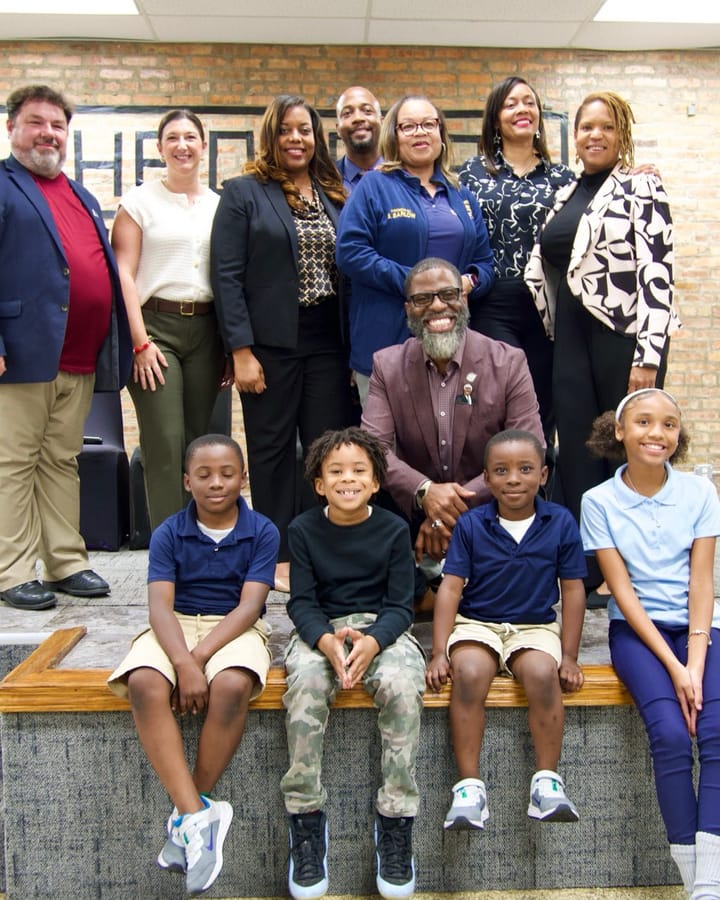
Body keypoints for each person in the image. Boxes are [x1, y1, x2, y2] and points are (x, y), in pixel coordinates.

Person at [107, 433, 279, 896]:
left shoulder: (262, 530)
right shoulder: (168, 531)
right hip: (177, 624)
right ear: (187, 482)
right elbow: (159, 608)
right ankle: (201, 817)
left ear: (244, 478)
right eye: (203, 475)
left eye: (227, 474)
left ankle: (188, 817)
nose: (216, 483)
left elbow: (250, 608)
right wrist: (181, 658)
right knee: (144, 681)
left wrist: (197, 660)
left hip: (235, 627)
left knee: (230, 685)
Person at [525, 91, 680, 604]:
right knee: (578, 454)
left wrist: (648, 354)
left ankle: (642, 567)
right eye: (586, 127)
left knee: (632, 450)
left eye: (606, 128)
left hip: (622, 337)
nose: (595, 136)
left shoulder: (641, 188)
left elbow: (658, 274)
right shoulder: (564, 193)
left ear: (622, 135)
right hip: (570, 338)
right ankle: (587, 569)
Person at [211, 95, 354, 593]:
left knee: (325, 450)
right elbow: (226, 275)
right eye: (287, 130)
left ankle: (321, 550)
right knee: (271, 452)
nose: (297, 139)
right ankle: (274, 556)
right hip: (269, 344)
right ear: (271, 136)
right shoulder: (244, 192)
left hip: (328, 342)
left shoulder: (334, 194)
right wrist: (241, 350)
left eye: (306, 131)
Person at [580, 389, 720, 898]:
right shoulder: (597, 502)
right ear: (619, 431)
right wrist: (676, 669)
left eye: (668, 424)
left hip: (701, 627)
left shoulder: (701, 493)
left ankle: (711, 873)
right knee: (670, 734)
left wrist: (697, 662)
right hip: (638, 632)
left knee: (717, 730)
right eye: (643, 422)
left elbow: (702, 582)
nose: (656, 433)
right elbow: (622, 592)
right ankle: (694, 875)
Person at [0, 84, 131, 612]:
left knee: (62, 460)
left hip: (77, 355)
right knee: (13, 463)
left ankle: (65, 561)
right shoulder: (5, 185)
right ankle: (11, 569)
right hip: (23, 353)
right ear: (12, 128)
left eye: (57, 125)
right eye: (36, 122)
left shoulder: (81, 194)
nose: (47, 133)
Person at [281, 427, 425, 900]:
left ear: (377, 481)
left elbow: (401, 605)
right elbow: (300, 603)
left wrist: (373, 641)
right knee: (303, 685)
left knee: (404, 684)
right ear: (320, 483)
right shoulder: (302, 530)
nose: (348, 479)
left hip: (381, 627)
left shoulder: (392, 529)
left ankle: (396, 820)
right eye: (336, 471)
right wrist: (325, 642)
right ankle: (305, 821)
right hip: (320, 629)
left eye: (359, 470)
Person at [427, 429, 586, 829]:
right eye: (501, 470)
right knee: (469, 672)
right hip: (477, 623)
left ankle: (546, 783)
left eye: (525, 469)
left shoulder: (560, 522)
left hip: (534, 626)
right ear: (486, 477)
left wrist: (568, 656)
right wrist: (438, 650)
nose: (513, 478)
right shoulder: (472, 525)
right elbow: (450, 588)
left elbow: (572, 590)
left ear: (544, 475)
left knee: (541, 673)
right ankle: (469, 788)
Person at [362, 257, 543, 571]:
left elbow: (531, 448)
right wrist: (426, 493)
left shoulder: (509, 362)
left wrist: (446, 510)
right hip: (412, 519)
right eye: (422, 299)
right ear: (408, 310)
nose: (436, 306)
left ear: (463, 299)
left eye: (448, 294)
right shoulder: (386, 366)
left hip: (495, 511)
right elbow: (373, 449)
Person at [336, 94, 495, 406]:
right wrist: (419, 285)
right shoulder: (374, 186)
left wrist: (469, 282)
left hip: (449, 341)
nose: (420, 132)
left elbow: (485, 263)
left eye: (428, 124)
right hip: (385, 338)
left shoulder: (462, 195)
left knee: (449, 443)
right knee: (385, 447)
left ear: (440, 133)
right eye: (408, 126)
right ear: (394, 136)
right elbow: (350, 252)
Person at [112, 109, 227, 531]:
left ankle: (198, 540)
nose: (182, 145)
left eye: (190, 137)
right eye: (172, 138)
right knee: (164, 441)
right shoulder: (139, 202)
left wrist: (231, 345)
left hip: (207, 331)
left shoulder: (220, 205)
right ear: (160, 148)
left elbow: (229, 277)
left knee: (197, 444)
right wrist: (139, 343)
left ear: (203, 145)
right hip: (155, 328)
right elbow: (123, 272)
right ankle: (168, 549)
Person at [458, 77, 576, 455]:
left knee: (542, 407)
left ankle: (540, 493)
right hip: (493, 300)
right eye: (511, 104)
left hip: (550, 306)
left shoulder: (564, 178)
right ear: (495, 118)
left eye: (529, 102)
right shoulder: (471, 175)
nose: (522, 110)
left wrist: (637, 172)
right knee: (499, 399)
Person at [335, 85, 383, 194]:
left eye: (367, 110)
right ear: (338, 129)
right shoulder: (325, 180)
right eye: (347, 113)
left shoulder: (404, 174)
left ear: (382, 122)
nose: (358, 118)